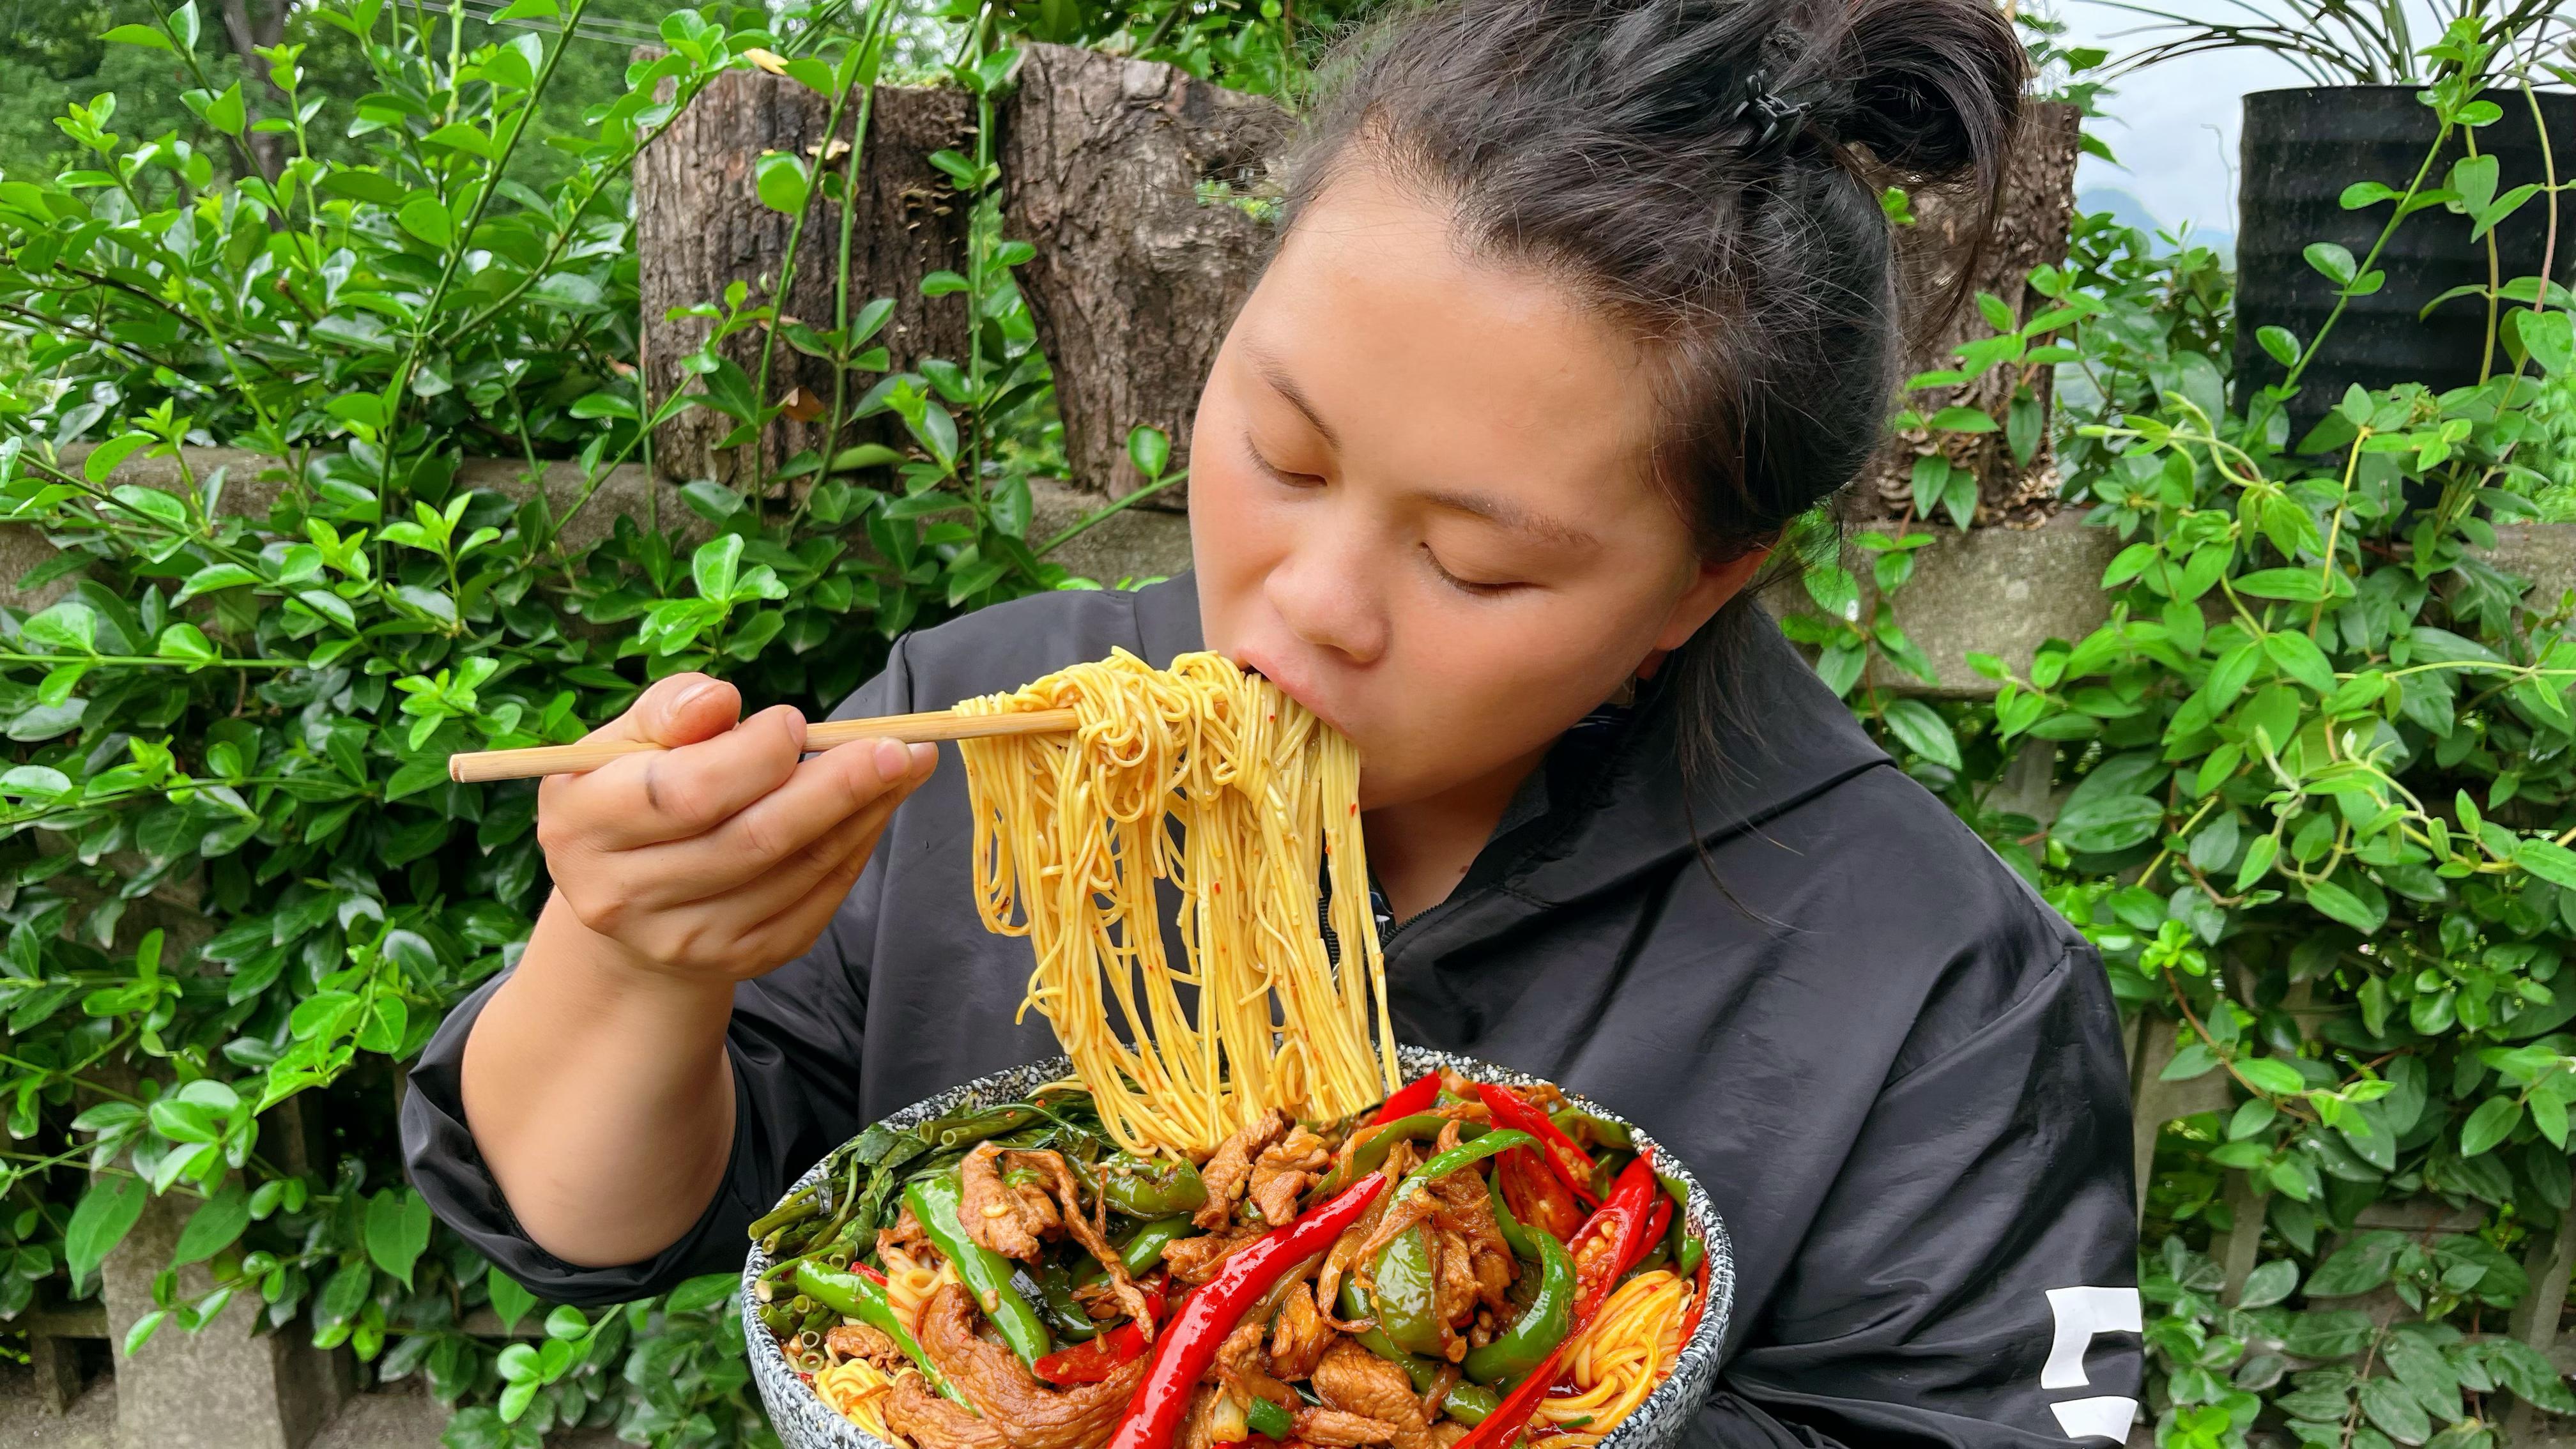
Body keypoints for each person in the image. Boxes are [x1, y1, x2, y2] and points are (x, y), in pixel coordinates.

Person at [404, 0, 2142, 1441]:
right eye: (1281, 448)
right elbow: (582, 1215)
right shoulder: (975, 725)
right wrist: (635, 951)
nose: (1311, 598)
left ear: (1700, 585)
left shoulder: (1944, 991)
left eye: (1472, 561)